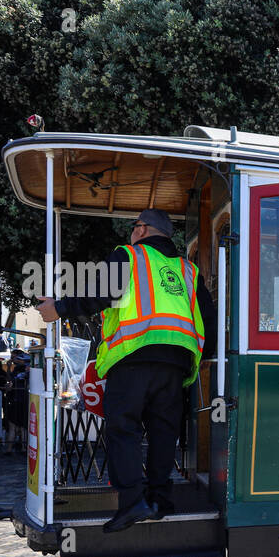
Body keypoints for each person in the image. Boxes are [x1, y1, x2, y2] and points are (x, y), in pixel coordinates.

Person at [37, 208, 209, 532]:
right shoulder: (188, 270)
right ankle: (160, 500)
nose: (132, 233)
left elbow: (101, 293)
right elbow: (207, 320)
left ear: (142, 230)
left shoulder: (128, 255)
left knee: (124, 430)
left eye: (134, 227)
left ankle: (133, 502)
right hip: (177, 363)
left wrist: (58, 308)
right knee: (163, 432)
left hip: (133, 357)